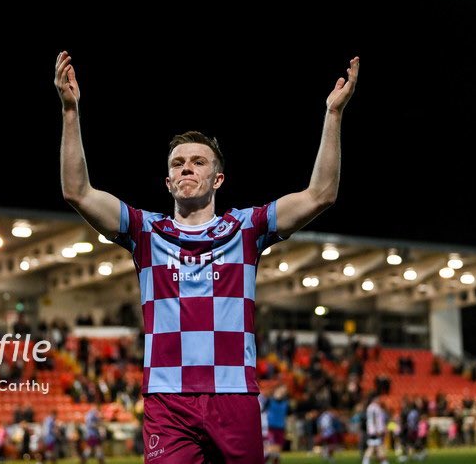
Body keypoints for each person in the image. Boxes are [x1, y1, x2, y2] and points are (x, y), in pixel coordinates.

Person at [55, 50, 359, 464]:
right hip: (168, 399)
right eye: (177, 164)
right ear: (167, 181)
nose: (186, 168)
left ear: (217, 178)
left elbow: (320, 194)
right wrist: (70, 111)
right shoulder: (147, 232)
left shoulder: (246, 228)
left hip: (234, 395)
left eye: (198, 162)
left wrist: (333, 115)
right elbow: (78, 192)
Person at [363, 393, 389, 464]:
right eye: (378, 398)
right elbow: (375, 419)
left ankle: (383, 461)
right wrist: (377, 430)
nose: (379, 400)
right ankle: (384, 462)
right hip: (375, 431)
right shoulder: (374, 407)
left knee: (375, 447)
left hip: (373, 430)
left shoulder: (371, 407)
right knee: (374, 447)